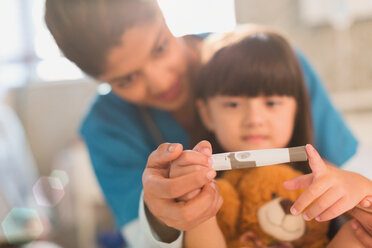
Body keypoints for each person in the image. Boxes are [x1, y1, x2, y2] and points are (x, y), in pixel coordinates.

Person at [44, 0, 370, 246]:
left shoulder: (269, 61)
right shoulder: (106, 127)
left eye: (159, 47)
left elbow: (355, 181)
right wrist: (167, 217)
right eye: (126, 79)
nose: (159, 81)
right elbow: (143, 238)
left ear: (162, 13)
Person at [169, 26, 372, 248]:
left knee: (358, 233)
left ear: (296, 109)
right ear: (207, 114)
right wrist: (197, 202)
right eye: (233, 104)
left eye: (272, 103)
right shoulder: (210, 187)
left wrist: (363, 190)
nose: (254, 119)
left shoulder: (324, 174)